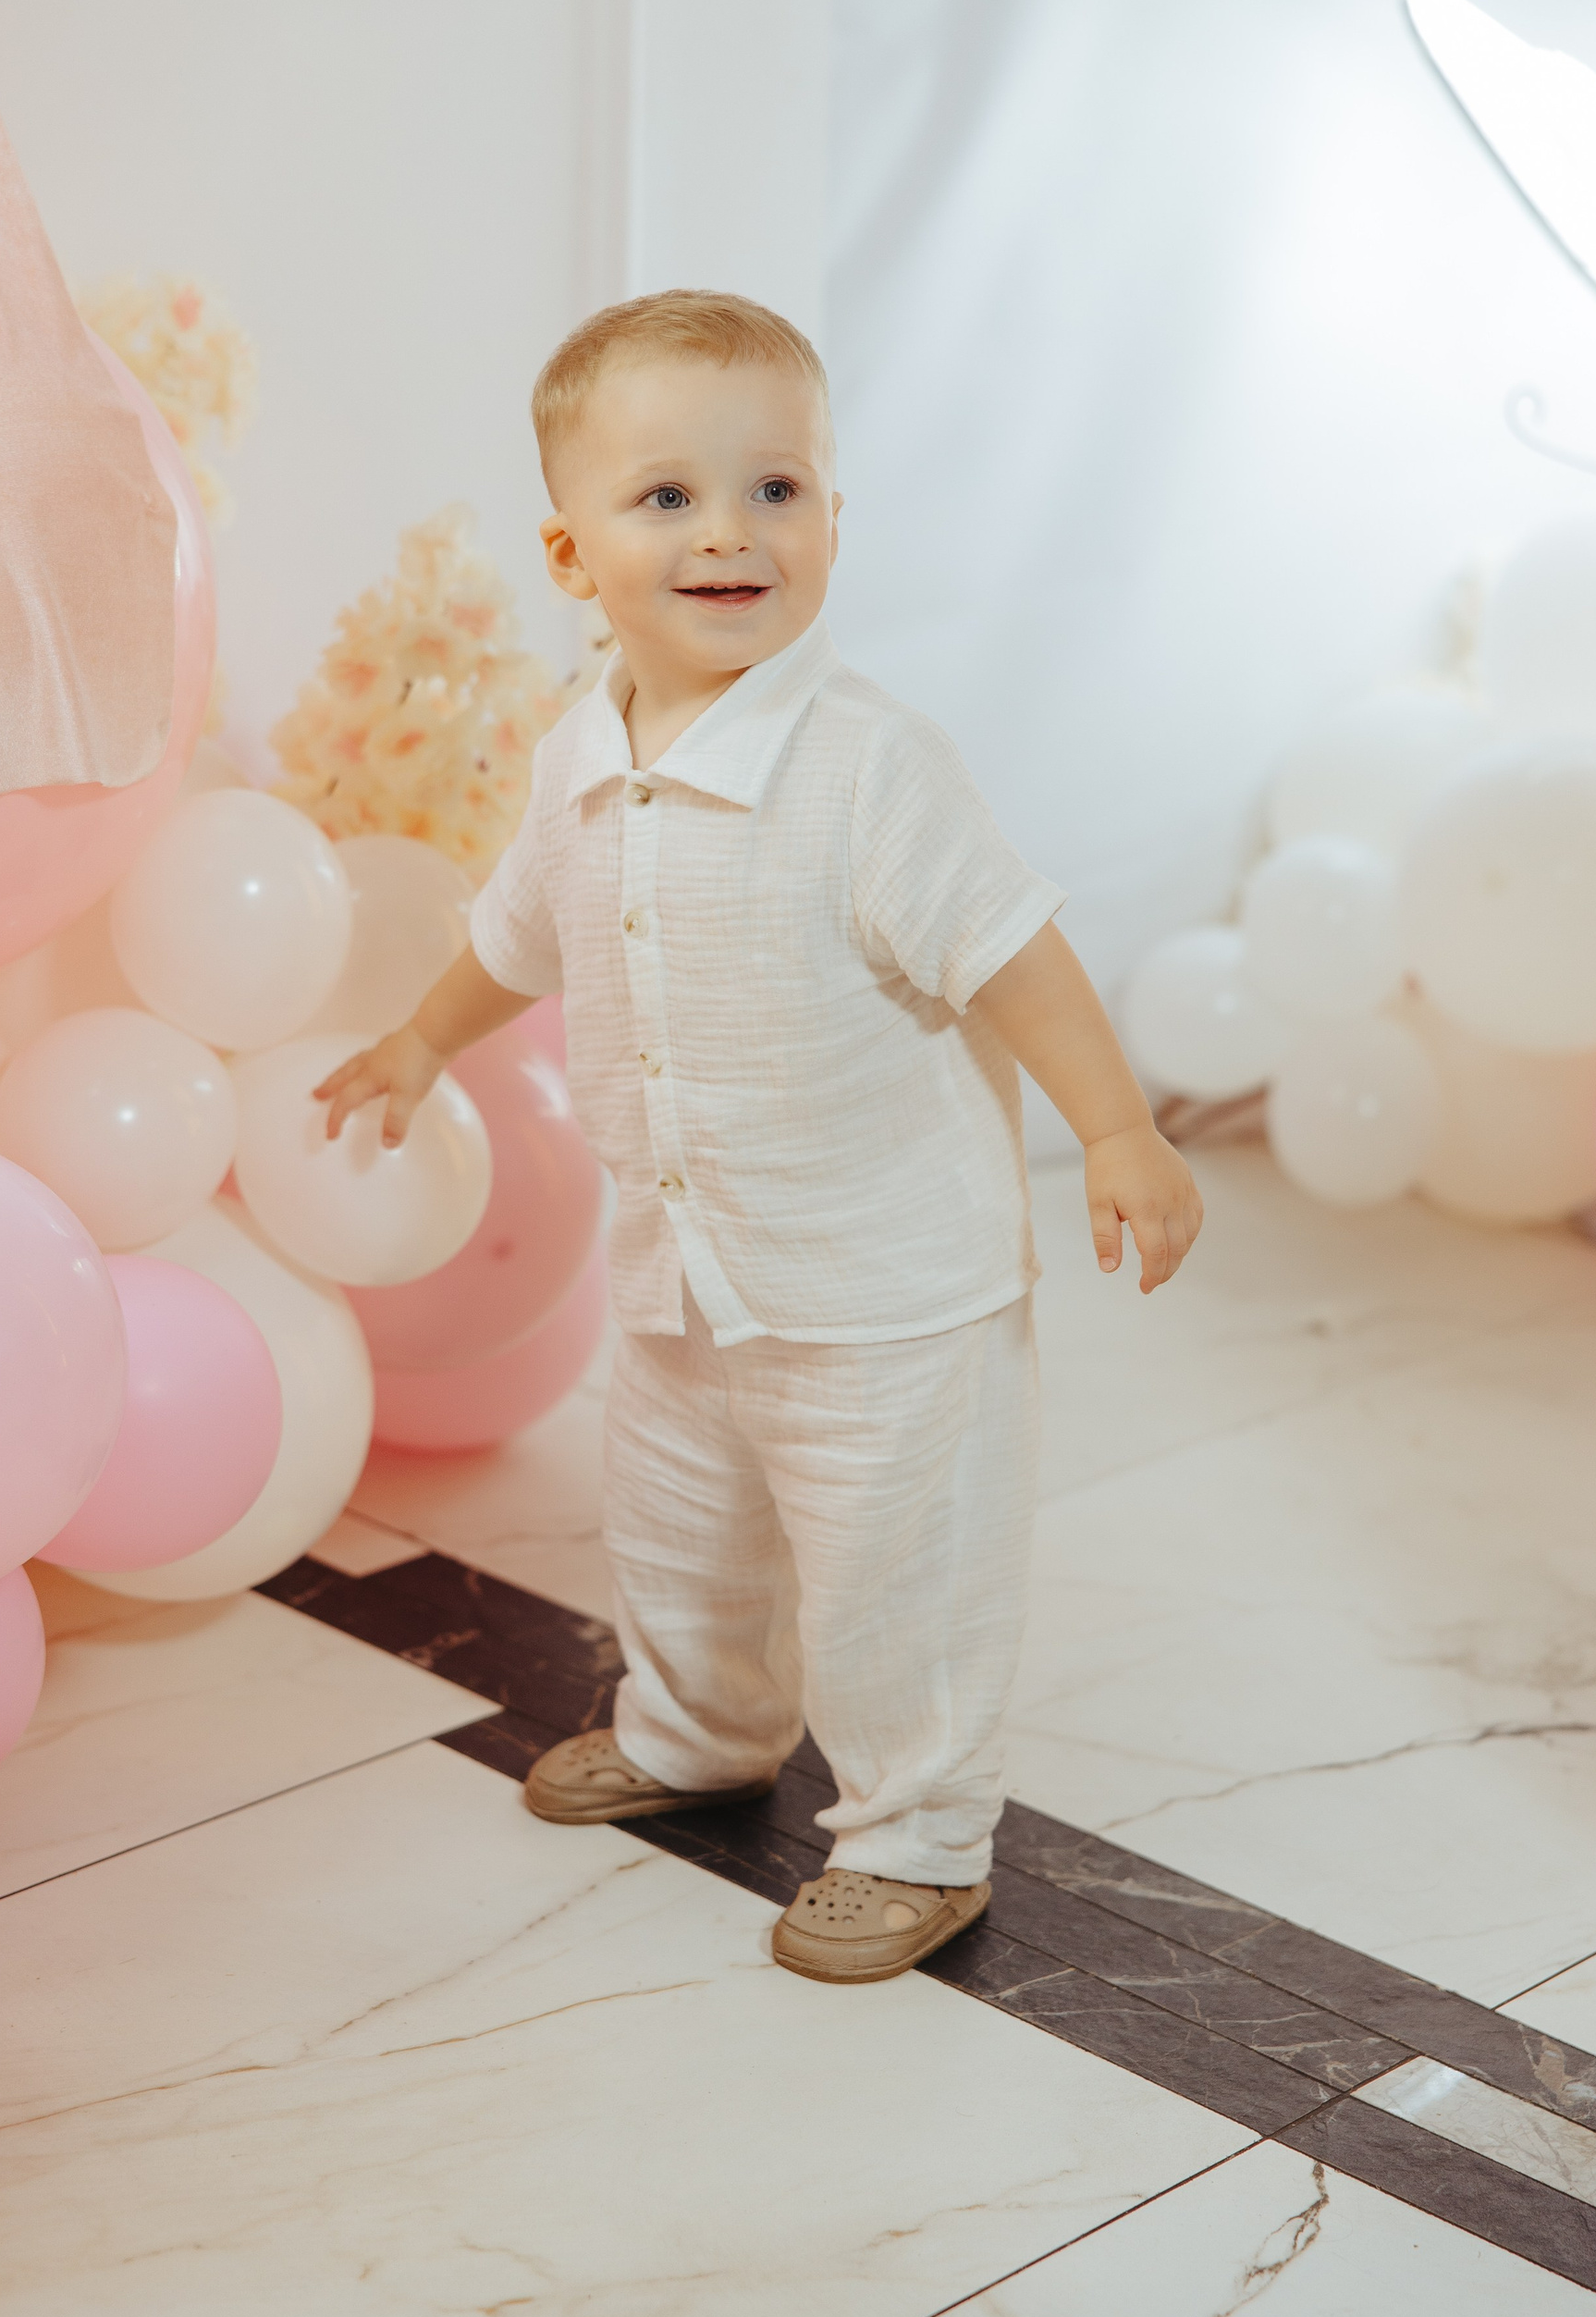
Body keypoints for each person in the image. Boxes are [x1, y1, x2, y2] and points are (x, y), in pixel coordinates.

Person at [316, 290, 1201, 1985]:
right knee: (677, 1531)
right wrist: (420, 1041)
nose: (729, 531)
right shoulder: (579, 750)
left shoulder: (871, 768)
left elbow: (1012, 951)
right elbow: (520, 928)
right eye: (667, 497)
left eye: (775, 489)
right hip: (686, 1271)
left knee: (895, 1580)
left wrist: (1116, 1131)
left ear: (833, 521)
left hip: (886, 1295)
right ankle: (697, 1733)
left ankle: (919, 1836)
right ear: (572, 556)